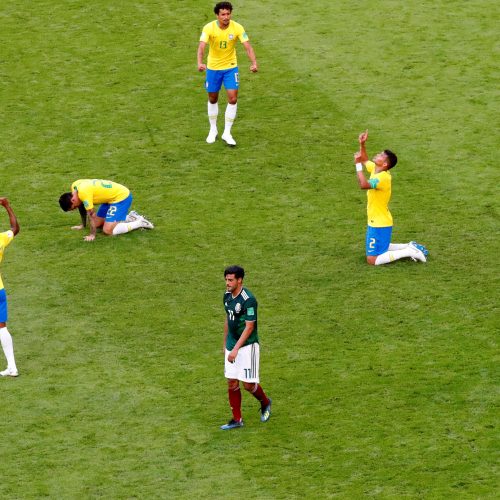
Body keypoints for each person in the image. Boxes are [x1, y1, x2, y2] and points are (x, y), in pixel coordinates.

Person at [354, 130, 429, 265]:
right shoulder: (376, 170)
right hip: (380, 220)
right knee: (381, 248)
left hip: (379, 222)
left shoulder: (382, 177)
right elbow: (365, 159)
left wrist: (357, 165)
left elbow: (364, 185)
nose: (378, 154)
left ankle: (410, 252)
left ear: (384, 164)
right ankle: (408, 246)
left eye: (382, 155)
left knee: (372, 259)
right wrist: (362, 144)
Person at [197, 1, 258, 146]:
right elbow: (201, 47)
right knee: (212, 98)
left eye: (228, 14)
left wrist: (254, 62)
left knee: (232, 99)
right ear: (217, 15)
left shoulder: (237, 27)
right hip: (213, 68)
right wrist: (200, 62)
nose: (226, 17)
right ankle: (213, 130)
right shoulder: (209, 28)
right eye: (223, 14)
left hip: (231, 67)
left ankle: (227, 132)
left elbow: (247, 46)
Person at [220, 265, 271, 430]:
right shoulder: (227, 296)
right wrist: (225, 344)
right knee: (231, 382)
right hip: (231, 344)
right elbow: (228, 319)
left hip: (247, 347)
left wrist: (235, 349)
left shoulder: (249, 300)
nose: (227, 283)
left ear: (240, 280)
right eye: (226, 279)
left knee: (248, 385)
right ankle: (237, 419)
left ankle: (265, 402)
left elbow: (249, 327)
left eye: (230, 280)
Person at [59, 179, 154, 242]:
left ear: (73, 200)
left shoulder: (84, 194)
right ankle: (130, 217)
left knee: (107, 231)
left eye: (73, 207)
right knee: (96, 224)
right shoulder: (75, 187)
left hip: (121, 197)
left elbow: (90, 214)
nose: (76, 208)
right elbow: (81, 207)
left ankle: (140, 222)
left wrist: (92, 235)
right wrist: (83, 225)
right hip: (109, 198)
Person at [0, 198, 20, 377]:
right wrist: (7, 206)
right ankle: (12, 367)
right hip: (0, 290)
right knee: (2, 327)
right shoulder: (0, 239)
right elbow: (15, 229)